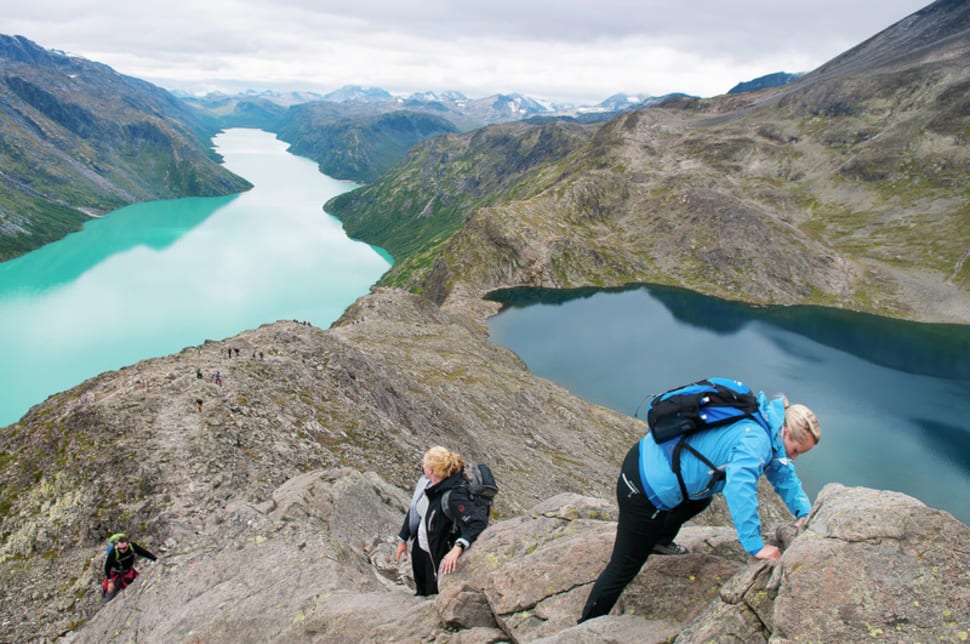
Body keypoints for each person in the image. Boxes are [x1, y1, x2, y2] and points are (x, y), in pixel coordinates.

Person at [579, 390, 821, 623]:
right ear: (786, 432)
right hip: (643, 488)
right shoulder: (757, 440)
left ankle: (659, 541)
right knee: (625, 566)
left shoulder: (764, 421)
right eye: (796, 450)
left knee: (701, 498)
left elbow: (783, 473)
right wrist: (755, 545)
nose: (794, 458)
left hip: (645, 460)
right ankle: (586, 625)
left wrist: (804, 512)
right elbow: (740, 489)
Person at [394, 446, 488, 596]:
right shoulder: (427, 484)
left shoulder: (453, 495)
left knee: (431, 597)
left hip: (438, 558)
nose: (421, 465)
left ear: (431, 469)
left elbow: (478, 522)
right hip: (423, 549)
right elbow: (416, 510)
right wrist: (402, 539)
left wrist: (458, 547)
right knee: (420, 593)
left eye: (424, 463)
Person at [102, 534, 157, 602]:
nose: (122, 550)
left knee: (137, 587)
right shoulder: (114, 553)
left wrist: (155, 559)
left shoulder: (132, 547)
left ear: (128, 544)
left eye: (124, 548)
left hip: (128, 572)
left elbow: (143, 553)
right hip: (116, 574)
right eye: (120, 548)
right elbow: (107, 567)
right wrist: (110, 582)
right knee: (110, 595)